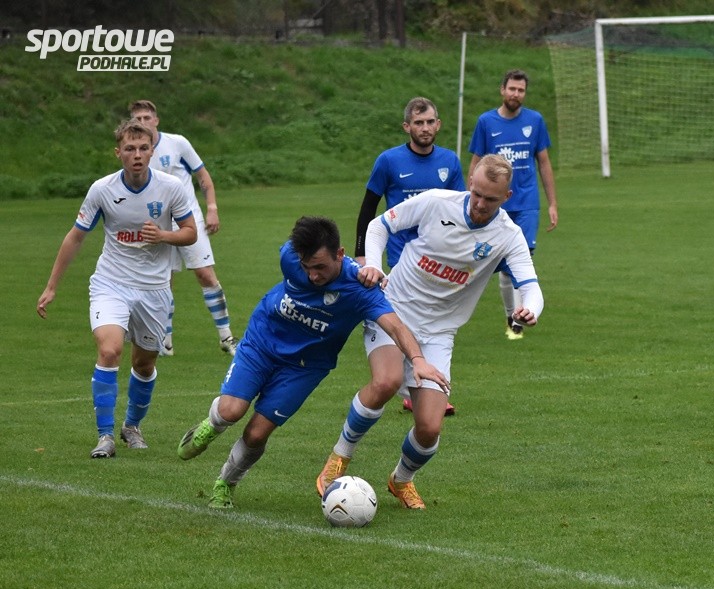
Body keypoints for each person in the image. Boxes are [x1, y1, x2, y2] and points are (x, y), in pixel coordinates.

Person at [316, 154, 543, 510]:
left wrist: (530, 309)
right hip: (393, 310)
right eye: (477, 193)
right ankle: (339, 458)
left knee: (429, 428)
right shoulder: (436, 202)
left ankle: (401, 480)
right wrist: (373, 265)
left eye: (491, 199)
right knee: (386, 381)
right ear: (470, 181)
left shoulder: (508, 236)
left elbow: (530, 285)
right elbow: (378, 226)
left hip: (439, 333)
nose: (480, 204)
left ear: (507, 197)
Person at [177, 216, 449, 510]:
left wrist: (417, 360)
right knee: (231, 411)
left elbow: (395, 326)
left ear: (340, 254)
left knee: (256, 433)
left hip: (304, 367)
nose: (313, 276)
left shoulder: (360, 288)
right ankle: (212, 424)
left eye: (320, 267)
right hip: (262, 343)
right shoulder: (290, 257)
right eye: (307, 267)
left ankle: (225, 483)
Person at [36, 119, 197, 458]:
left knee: (144, 363)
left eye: (143, 148)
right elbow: (76, 236)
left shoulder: (171, 188)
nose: (137, 155)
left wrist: (163, 236)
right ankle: (105, 436)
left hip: (154, 289)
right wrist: (51, 286)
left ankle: (132, 426)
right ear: (118, 153)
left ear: (152, 152)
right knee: (109, 351)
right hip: (111, 283)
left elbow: (190, 232)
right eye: (130, 149)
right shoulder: (102, 190)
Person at [356, 96, 464, 417]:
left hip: (437, 260)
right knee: (406, 318)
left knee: (434, 320)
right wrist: (363, 255)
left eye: (430, 122)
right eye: (418, 123)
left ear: (438, 124)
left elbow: (459, 209)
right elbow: (368, 209)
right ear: (407, 127)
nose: (425, 128)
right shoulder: (389, 161)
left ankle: (420, 385)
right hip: (400, 258)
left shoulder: (450, 162)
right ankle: (415, 387)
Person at [129, 100, 239, 355]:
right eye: (137, 119)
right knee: (162, 281)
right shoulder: (136, 153)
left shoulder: (177, 143)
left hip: (189, 220)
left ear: (156, 120)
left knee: (205, 274)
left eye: (147, 117)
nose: (143, 123)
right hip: (158, 224)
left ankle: (226, 337)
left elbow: (203, 176)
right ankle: (165, 342)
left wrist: (212, 208)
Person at [468, 69, 557, 340]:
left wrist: (552, 203)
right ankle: (511, 314)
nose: (516, 94)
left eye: (521, 90)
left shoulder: (535, 121)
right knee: (504, 268)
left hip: (527, 203)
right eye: (512, 89)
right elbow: (476, 164)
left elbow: (544, 162)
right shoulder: (486, 122)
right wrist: (469, 200)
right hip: (497, 205)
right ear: (502, 90)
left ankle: (518, 319)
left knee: (522, 259)